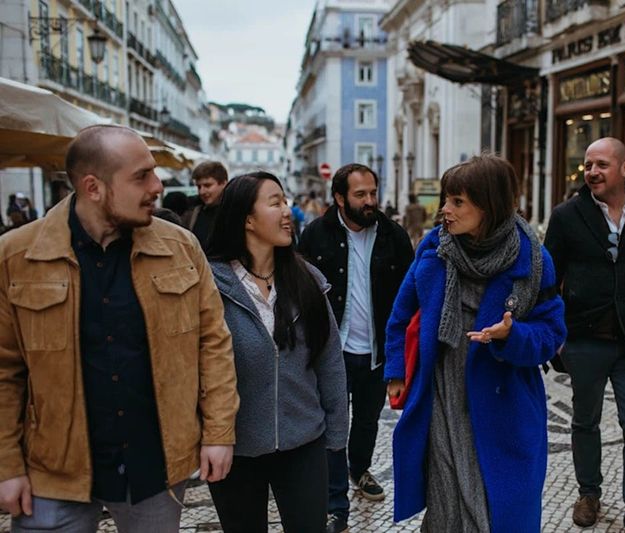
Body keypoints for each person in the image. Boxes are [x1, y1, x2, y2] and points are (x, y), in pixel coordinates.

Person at [0, 125, 239, 533]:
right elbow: (4, 371)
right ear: (93, 187)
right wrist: (6, 464)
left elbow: (213, 345)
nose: (157, 186)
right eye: (141, 176)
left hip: (155, 468)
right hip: (53, 471)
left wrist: (219, 433)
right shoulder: (17, 255)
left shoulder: (181, 248)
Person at [384, 154, 566, 533]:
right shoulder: (434, 249)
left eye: (457, 202)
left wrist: (512, 335)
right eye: (446, 200)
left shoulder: (533, 261)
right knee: (446, 502)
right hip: (442, 395)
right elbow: (401, 317)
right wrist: (396, 371)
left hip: (505, 403)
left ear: (489, 205)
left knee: (497, 504)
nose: (444, 211)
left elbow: (552, 334)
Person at [544, 137, 625, 533]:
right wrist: (558, 334)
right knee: (585, 421)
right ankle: (589, 493)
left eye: (601, 164)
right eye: (588, 165)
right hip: (585, 340)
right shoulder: (567, 216)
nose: (592, 172)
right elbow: (548, 280)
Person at [205, 172, 348, 532]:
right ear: (246, 219)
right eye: (275, 202)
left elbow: (329, 358)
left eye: (286, 201)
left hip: (304, 442)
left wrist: (336, 434)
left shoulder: (307, 280)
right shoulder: (209, 284)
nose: (288, 211)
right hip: (235, 447)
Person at [297, 163, 414, 533]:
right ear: (339, 198)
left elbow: (409, 299)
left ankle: (360, 469)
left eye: (373, 193)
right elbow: (300, 292)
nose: (369, 201)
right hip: (333, 352)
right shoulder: (315, 235)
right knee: (334, 423)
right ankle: (335, 503)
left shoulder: (394, 236)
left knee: (367, 418)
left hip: (378, 351)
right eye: (360, 194)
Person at [182, 161, 228, 249]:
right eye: (199, 187)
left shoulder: (235, 212)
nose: (201, 191)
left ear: (223, 183)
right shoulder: (193, 214)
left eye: (207, 185)